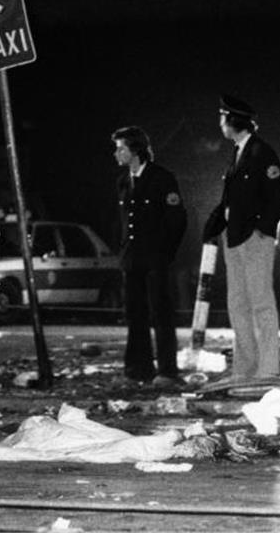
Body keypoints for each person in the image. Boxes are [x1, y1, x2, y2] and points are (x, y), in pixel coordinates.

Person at [203, 95, 280, 383]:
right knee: (237, 304)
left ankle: (268, 368)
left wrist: (263, 229)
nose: (220, 123)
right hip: (234, 237)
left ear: (233, 121)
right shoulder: (238, 153)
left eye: (222, 117)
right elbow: (232, 198)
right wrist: (215, 223)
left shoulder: (262, 152)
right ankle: (245, 367)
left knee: (261, 303)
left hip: (254, 238)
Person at [112, 126, 187, 387]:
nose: (116, 154)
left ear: (135, 151)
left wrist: (164, 254)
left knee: (161, 314)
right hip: (132, 260)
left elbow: (176, 220)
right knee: (135, 314)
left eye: (121, 148)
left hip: (155, 259)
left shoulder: (161, 178)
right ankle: (138, 368)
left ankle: (167, 370)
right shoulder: (123, 181)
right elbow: (123, 222)